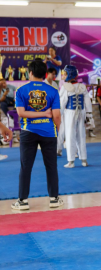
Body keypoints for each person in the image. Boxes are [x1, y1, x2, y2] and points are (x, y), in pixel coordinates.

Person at [12, 59, 63, 210]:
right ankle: (54, 199)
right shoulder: (53, 91)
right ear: (45, 74)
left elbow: (21, 113)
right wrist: (56, 129)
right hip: (49, 132)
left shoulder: (21, 90)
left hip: (28, 132)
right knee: (51, 166)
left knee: (26, 167)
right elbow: (57, 116)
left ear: (30, 73)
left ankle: (22, 201)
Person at [60, 65, 92, 168]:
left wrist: (58, 115)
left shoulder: (65, 87)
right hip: (81, 112)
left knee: (70, 135)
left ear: (70, 75)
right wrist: (89, 114)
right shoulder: (82, 86)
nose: (63, 76)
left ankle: (71, 161)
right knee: (81, 135)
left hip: (70, 112)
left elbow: (62, 102)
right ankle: (84, 160)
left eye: (65, 74)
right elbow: (87, 101)